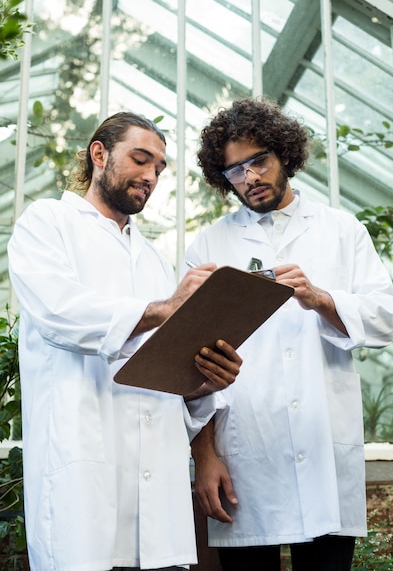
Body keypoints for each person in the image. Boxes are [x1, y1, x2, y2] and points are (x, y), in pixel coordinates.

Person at [7, 111, 243, 571]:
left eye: (159, 168)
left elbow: (161, 374)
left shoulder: (154, 259)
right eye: (140, 160)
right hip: (82, 477)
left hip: (156, 494)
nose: (151, 176)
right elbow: (62, 313)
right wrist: (165, 309)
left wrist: (204, 384)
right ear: (99, 154)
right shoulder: (48, 222)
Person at [186, 97, 393, 571]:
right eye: (234, 171)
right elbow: (188, 361)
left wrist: (321, 299)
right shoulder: (209, 244)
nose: (250, 178)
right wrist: (204, 457)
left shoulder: (340, 230)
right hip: (244, 460)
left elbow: (386, 318)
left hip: (322, 450)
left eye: (258, 161)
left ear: (284, 153)